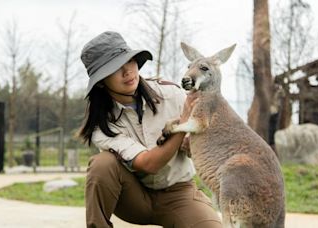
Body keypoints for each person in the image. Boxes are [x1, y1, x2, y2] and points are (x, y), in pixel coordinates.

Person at [78, 31, 222, 228]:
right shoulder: (102, 125)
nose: (127, 71)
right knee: (102, 164)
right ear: (101, 81)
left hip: (178, 193)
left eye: (129, 61)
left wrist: (192, 142)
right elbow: (148, 164)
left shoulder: (172, 94)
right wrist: (182, 124)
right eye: (115, 68)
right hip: (133, 197)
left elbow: (208, 141)